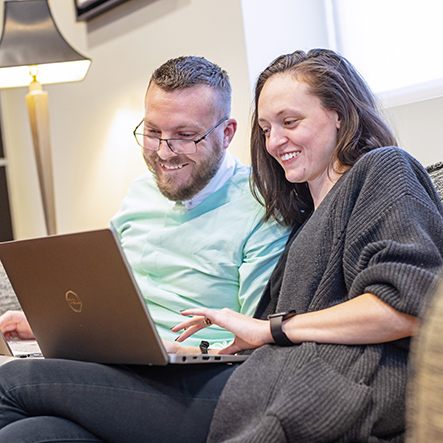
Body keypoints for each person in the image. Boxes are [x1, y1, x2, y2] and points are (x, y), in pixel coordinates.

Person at [0, 48, 442, 442]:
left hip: (312, 390)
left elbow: (411, 306)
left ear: (341, 114)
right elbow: (249, 343)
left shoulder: (385, 169)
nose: (274, 142)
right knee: (34, 434)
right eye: (267, 127)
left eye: (290, 122)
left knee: (12, 384)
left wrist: (270, 328)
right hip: (265, 378)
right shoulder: (304, 215)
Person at [0, 56, 289, 351]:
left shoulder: (263, 208)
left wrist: (178, 352)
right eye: (152, 132)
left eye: (185, 136)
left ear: (226, 133)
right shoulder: (141, 190)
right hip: (119, 353)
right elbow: (104, 294)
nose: (164, 153)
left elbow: (257, 345)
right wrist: (51, 324)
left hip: (196, 373)